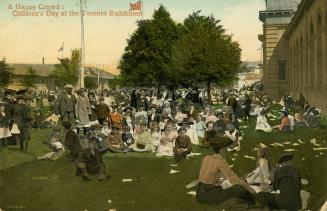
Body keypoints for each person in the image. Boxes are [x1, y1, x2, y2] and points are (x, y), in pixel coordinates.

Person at [196, 137, 256, 206]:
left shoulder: (207, 157)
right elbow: (234, 180)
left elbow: (210, 175)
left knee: (228, 184)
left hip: (200, 193)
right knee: (239, 189)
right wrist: (250, 189)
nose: (228, 151)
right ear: (222, 149)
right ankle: (255, 202)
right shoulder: (220, 160)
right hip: (211, 194)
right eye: (227, 148)